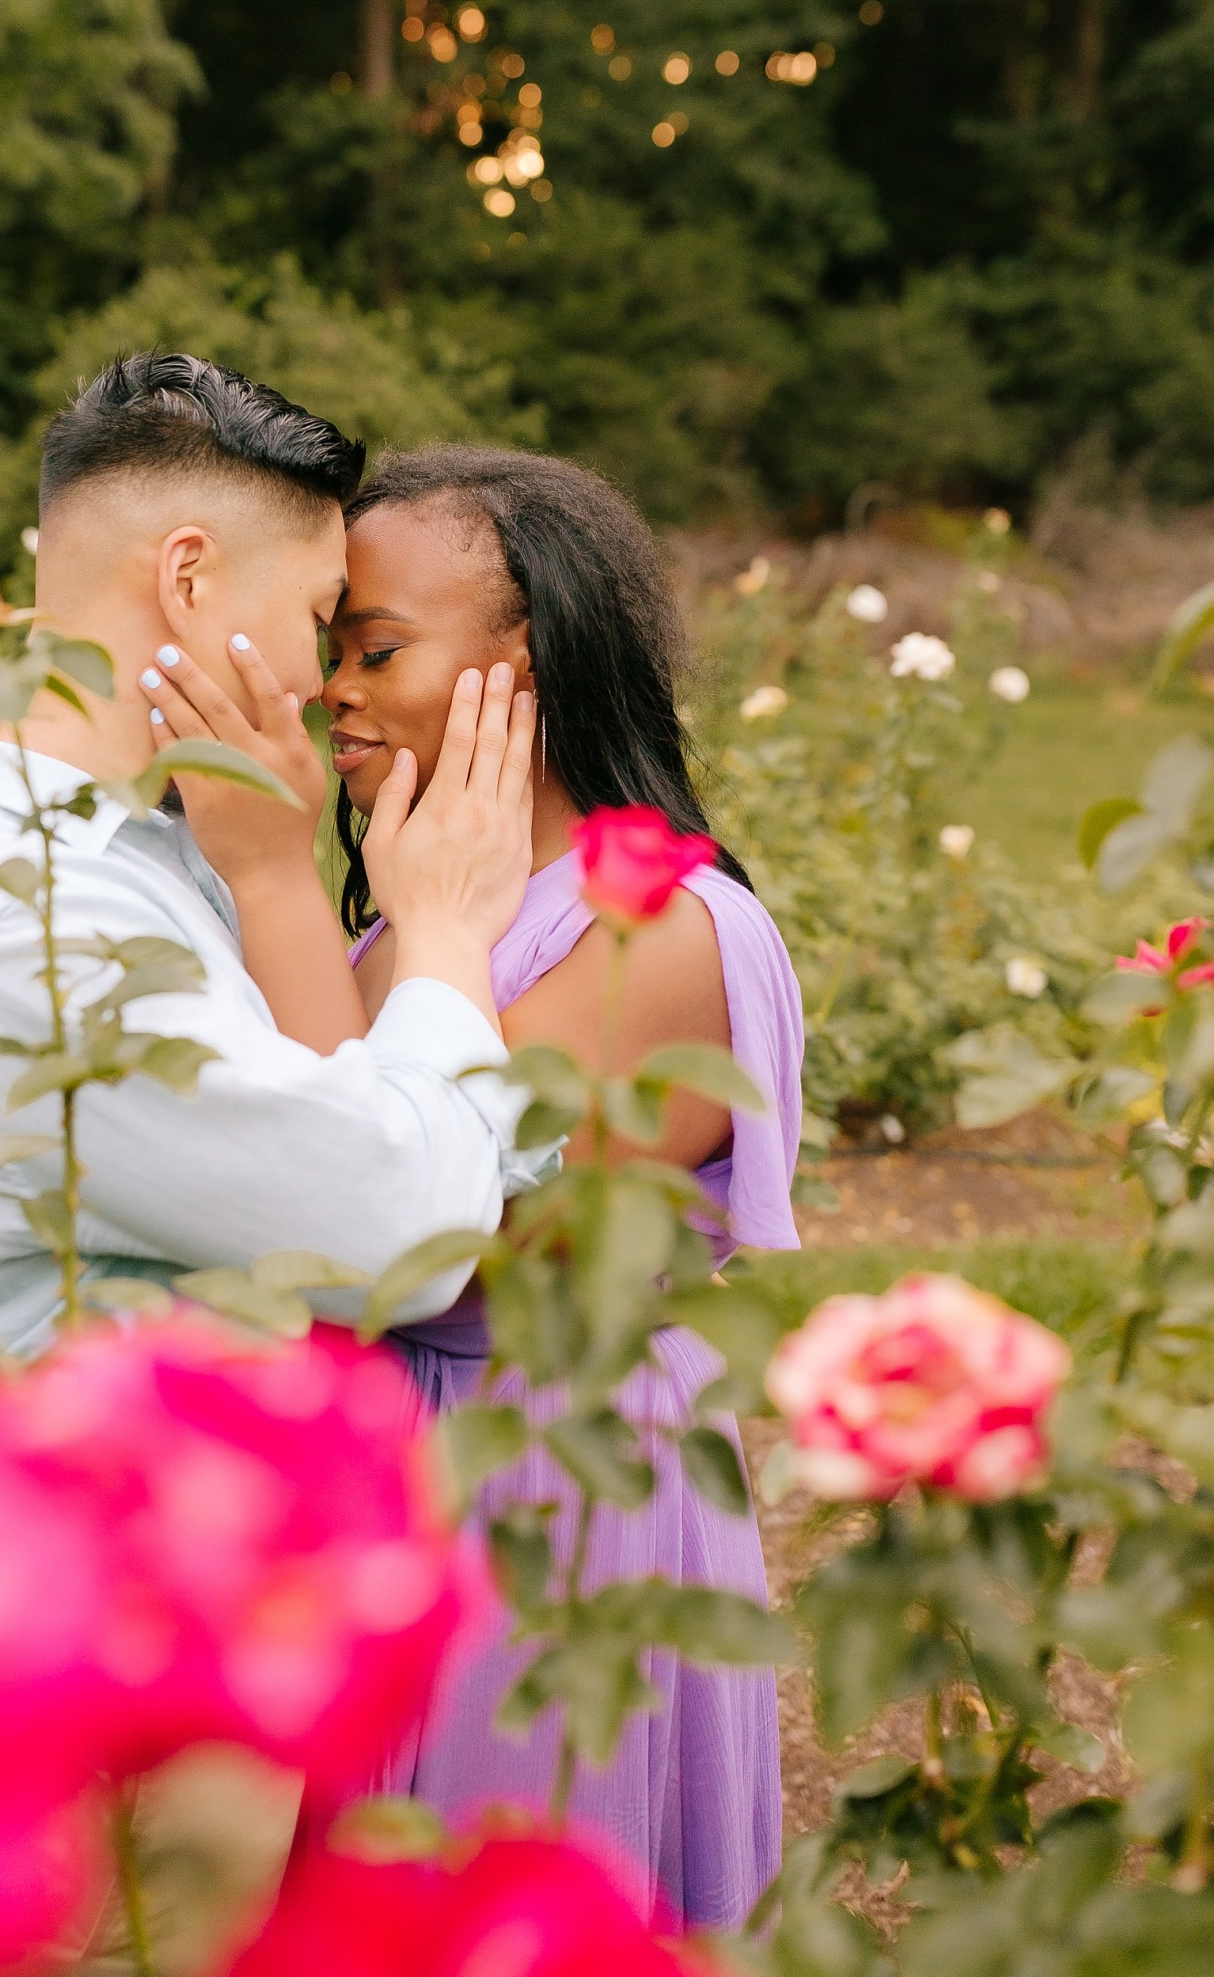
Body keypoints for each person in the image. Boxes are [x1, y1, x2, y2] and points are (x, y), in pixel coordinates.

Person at [146, 445, 801, 1930]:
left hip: (551, 1497)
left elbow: (403, 1230)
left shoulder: (658, 930)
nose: (334, 694)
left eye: (376, 650)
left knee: (498, 1908)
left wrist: (274, 885)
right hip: (401, 1489)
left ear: (530, 656)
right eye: (330, 654)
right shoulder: (417, 925)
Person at [0, 360, 537, 1395]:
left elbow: (327, 1104)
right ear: (187, 580)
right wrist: (444, 936)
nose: (318, 683)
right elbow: (399, 1238)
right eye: (316, 620)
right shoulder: (23, 913)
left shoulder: (154, 841)